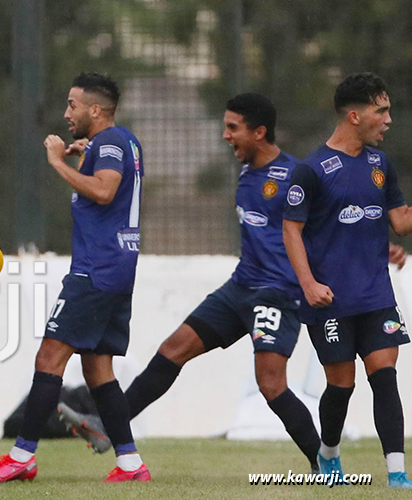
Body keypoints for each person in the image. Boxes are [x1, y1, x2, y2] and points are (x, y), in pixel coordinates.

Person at [113, 93, 321, 471]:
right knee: (173, 348)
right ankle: (110, 426)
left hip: (276, 294)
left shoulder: (296, 176)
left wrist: (377, 247)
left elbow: (329, 225)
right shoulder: (245, 170)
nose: (225, 136)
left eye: (232, 127)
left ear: (259, 132)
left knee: (272, 385)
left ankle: (326, 464)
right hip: (240, 287)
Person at [283, 72, 412, 489]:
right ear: (354, 115)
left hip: (376, 295)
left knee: (384, 375)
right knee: (341, 384)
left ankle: (397, 474)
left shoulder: (381, 165)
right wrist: (309, 285)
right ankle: (328, 453)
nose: (387, 119)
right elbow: (291, 230)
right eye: (380, 111)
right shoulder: (311, 170)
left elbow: (400, 222)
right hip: (330, 301)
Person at [0, 72, 149, 484]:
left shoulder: (107, 144)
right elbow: (113, 182)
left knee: (48, 358)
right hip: (119, 268)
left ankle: (22, 457)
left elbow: (105, 192)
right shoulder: (124, 141)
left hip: (96, 271)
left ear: (95, 110)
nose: (66, 113)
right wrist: (86, 155)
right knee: (98, 368)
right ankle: (130, 463)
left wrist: (57, 162)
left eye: (73, 105)